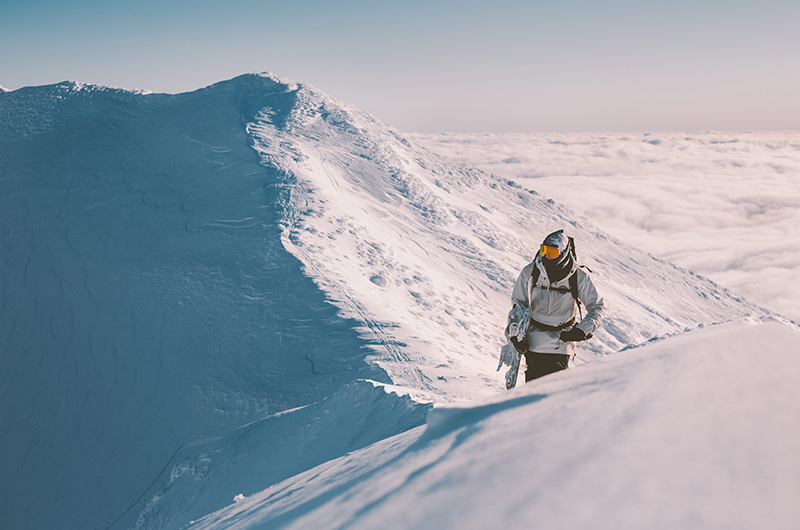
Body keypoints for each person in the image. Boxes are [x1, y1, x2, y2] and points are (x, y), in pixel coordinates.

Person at [506, 229, 604, 383]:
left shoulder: (578, 277)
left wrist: (581, 330)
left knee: (550, 390)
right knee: (534, 390)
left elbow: (597, 307)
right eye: (543, 250)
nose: (546, 256)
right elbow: (518, 303)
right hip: (533, 342)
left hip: (562, 342)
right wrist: (516, 335)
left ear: (564, 253)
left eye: (552, 252)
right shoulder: (531, 271)